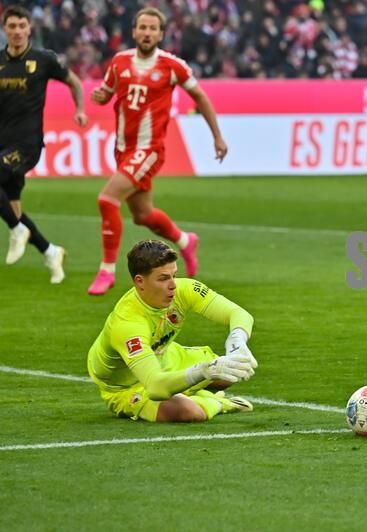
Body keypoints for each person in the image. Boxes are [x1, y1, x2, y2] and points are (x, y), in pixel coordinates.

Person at [87, 7, 228, 295]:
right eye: (143, 27)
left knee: (107, 199)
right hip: (123, 149)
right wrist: (99, 97)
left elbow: (200, 97)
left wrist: (217, 136)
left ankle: (106, 270)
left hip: (149, 149)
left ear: (161, 34)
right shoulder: (119, 61)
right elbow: (106, 94)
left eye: (153, 28)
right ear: (134, 31)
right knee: (143, 215)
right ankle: (186, 241)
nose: (147, 33)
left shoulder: (173, 66)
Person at [87, 239, 258, 422]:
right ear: (140, 281)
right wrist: (202, 371)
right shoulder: (127, 324)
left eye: (174, 275)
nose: (173, 285)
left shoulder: (183, 290)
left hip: (163, 357)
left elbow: (238, 314)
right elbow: (155, 386)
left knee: (231, 370)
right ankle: (217, 403)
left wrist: (237, 339)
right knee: (190, 412)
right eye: (163, 278)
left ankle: (189, 392)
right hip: (127, 385)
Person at [0, 5, 87, 283]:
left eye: (21, 26)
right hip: (2, 146)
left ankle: (17, 231)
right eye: (11, 26)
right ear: (5, 29)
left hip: (27, 145)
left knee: (13, 216)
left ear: (29, 28)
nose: (17, 31)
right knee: (11, 207)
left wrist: (80, 109)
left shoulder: (44, 59)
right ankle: (51, 252)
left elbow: (74, 82)